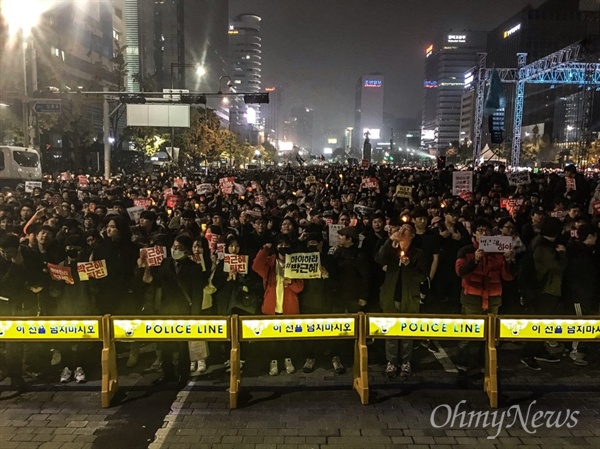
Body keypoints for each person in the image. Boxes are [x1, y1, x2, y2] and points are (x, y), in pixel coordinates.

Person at [140, 235, 207, 385]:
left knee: (183, 345)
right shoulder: (165, 263)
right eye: (174, 246)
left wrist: (195, 315)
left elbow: (197, 294)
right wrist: (147, 268)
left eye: (179, 248)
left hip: (183, 310)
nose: (175, 250)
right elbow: (154, 282)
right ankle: (168, 372)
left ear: (187, 250)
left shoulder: (194, 268)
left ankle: (183, 373)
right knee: (165, 344)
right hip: (166, 309)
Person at [455, 219, 514, 372]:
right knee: (469, 334)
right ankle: (463, 363)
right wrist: (474, 260)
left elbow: (507, 277)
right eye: (480, 230)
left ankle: (484, 364)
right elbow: (460, 272)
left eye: (486, 231)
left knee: (490, 335)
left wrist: (508, 261)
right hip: (472, 299)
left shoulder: (498, 251)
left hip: (493, 298)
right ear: (474, 233)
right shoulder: (466, 250)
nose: (483, 233)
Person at [376, 223, 428, 377]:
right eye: (400, 228)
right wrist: (390, 241)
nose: (402, 231)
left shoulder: (418, 253)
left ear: (412, 235)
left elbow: (422, 276)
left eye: (406, 229)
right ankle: (391, 361)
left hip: (409, 296)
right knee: (390, 328)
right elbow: (378, 258)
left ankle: (406, 361)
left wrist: (409, 265)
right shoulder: (392, 250)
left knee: (406, 329)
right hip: (390, 295)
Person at [252, 235, 304, 375]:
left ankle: (288, 360)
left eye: (285, 245)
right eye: (280, 245)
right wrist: (265, 249)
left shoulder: (295, 263)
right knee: (272, 339)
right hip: (271, 307)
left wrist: (291, 283)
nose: (282, 248)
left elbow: (300, 288)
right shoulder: (270, 263)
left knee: (288, 338)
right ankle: (273, 361)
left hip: (289, 307)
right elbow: (256, 266)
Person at [520, 218, 567, 370]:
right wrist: (563, 254)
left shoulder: (538, 242)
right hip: (544, 289)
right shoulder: (544, 247)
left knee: (541, 321)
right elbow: (557, 267)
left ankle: (538, 350)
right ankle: (528, 354)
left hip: (539, 289)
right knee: (538, 323)